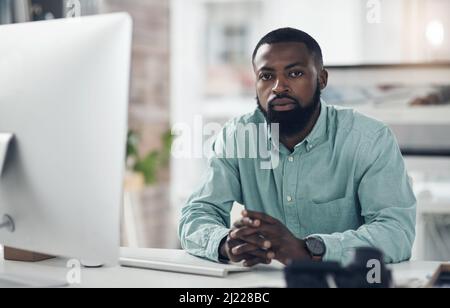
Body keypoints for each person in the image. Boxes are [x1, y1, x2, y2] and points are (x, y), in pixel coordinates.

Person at [179, 28, 416, 266]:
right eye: (266, 76)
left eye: (294, 73)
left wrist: (310, 248)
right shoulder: (236, 137)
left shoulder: (369, 139)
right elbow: (197, 214)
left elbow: (396, 232)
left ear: (321, 79)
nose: (278, 87)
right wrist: (226, 243)